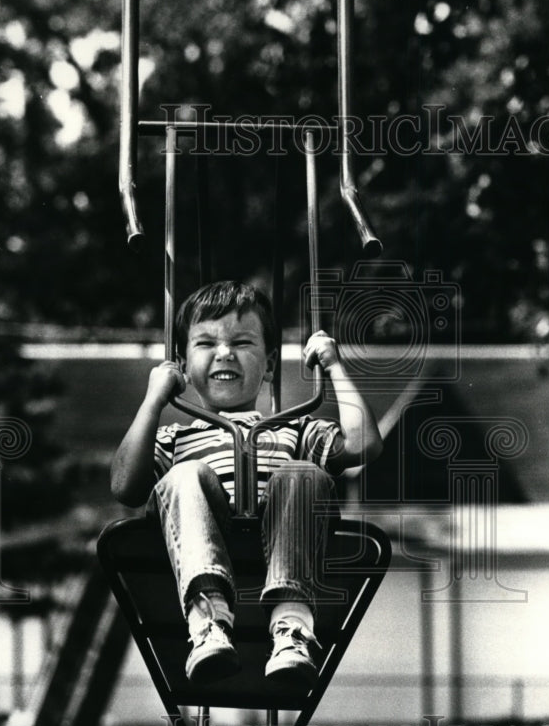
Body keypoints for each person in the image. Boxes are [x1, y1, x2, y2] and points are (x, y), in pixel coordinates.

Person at [111, 281, 382, 689]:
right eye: (206, 343)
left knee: (303, 473)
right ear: (183, 366)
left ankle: (292, 628)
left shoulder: (295, 432)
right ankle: (208, 621)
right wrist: (153, 400)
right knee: (185, 476)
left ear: (270, 364)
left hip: (282, 542)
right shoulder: (175, 440)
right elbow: (125, 486)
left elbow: (362, 445)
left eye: (242, 342)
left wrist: (334, 366)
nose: (225, 352)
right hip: (210, 546)